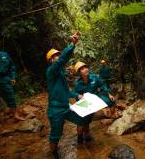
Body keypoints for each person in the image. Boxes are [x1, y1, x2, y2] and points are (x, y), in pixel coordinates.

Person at [46, 31, 84, 159]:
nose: (58, 56)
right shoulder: (51, 71)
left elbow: (66, 91)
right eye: (56, 55)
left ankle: (80, 141)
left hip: (66, 106)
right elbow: (62, 60)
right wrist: (72, 44)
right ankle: (53, 153)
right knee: (56, 134)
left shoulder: (60, 73)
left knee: (80, 119)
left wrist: (76, 96)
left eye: (58, 54)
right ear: (51, 60)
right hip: (55, 109)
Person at [73, 61, 116, 143]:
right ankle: (82, 136)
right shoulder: (77, 83)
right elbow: (75, 94)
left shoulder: (94, 77)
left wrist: (109, 94)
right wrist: (79, 99)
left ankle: (111, 116)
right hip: (86, 101)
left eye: (86, 67)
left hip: (97, 97)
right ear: (79, 73)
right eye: (82, 69)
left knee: (113, 100)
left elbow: (102, 85)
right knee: (84, 117)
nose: (85, 69)